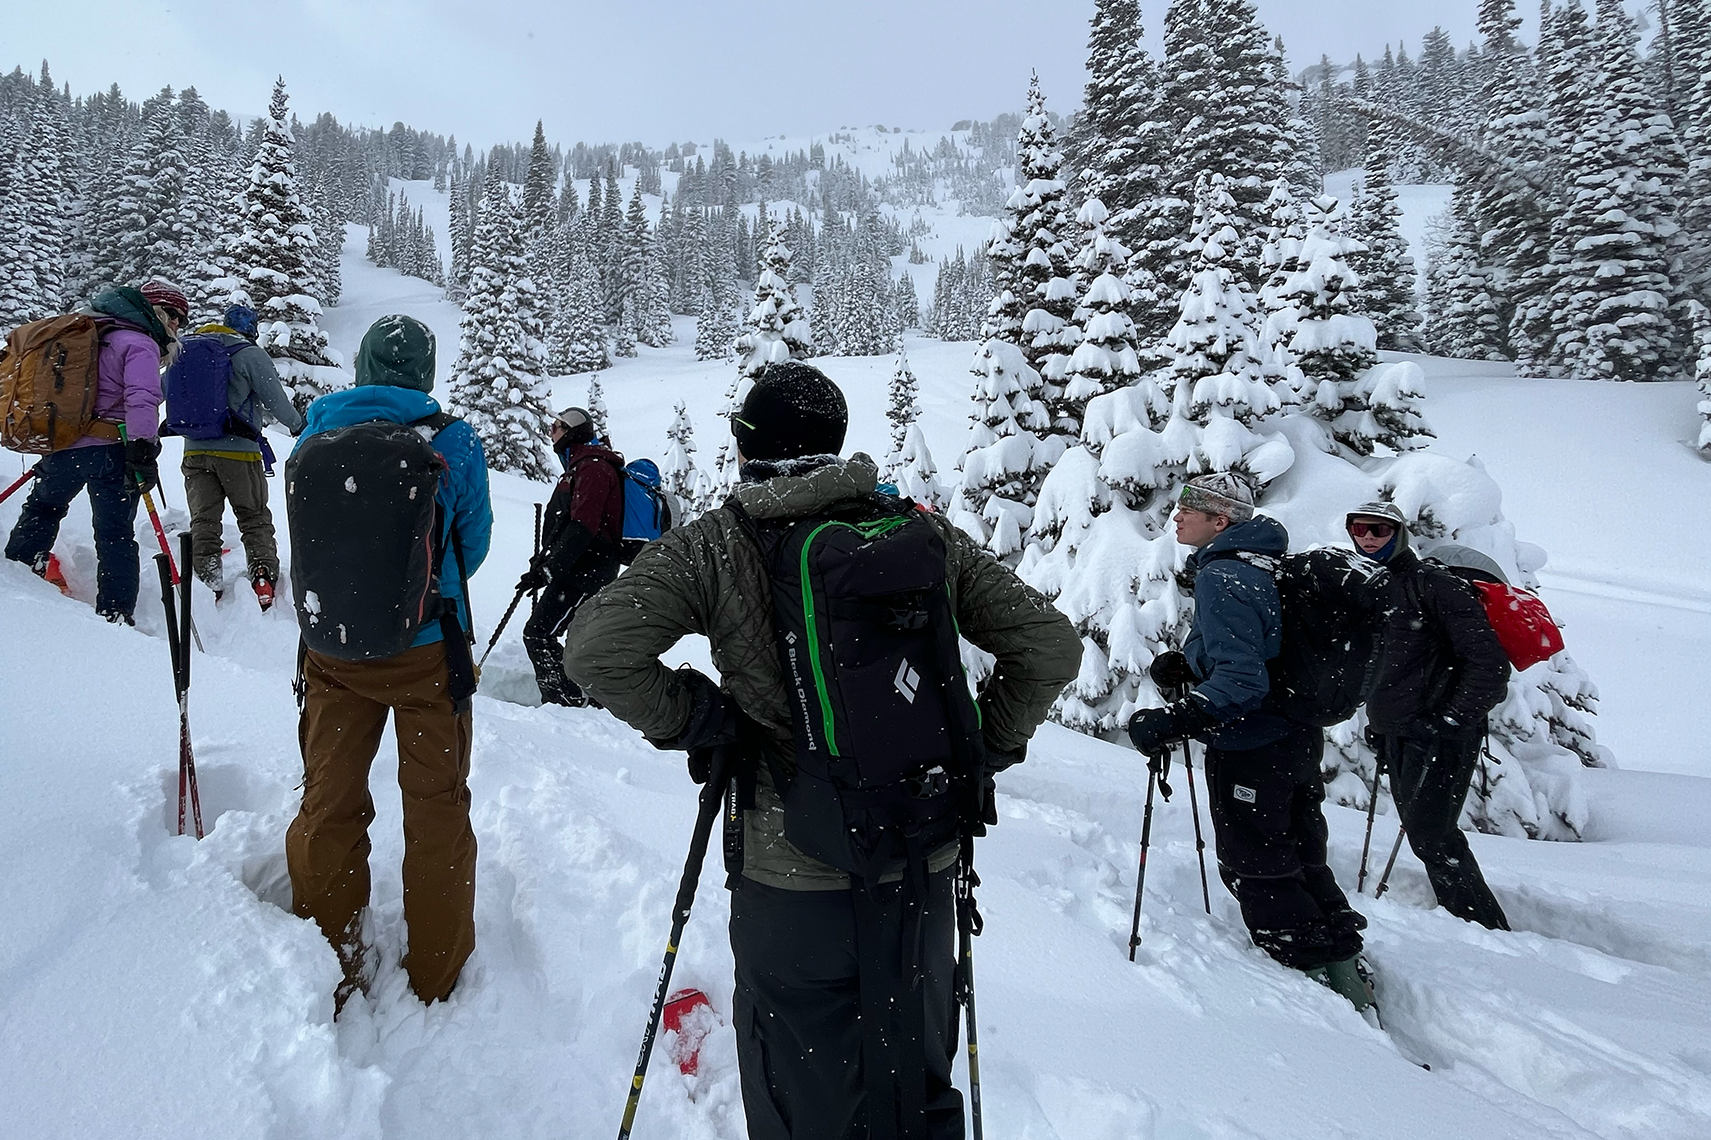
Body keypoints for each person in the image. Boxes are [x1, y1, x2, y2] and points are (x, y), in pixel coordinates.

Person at [564, 362, 1079, 1140]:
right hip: (921, 856)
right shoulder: (917, 529)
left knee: (803, 1097)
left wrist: (705, 722)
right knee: (912, 1089)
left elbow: (595, 652)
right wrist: (982, 749)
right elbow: (1049, 648)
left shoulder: (718, 543)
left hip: (794, 867)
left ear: (746, 448)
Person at [282, 315, 491, 1009]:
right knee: (436, 807)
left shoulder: (316, 432)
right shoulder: (452, 440)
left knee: (330, 800)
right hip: (428, 650)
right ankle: (435, 971)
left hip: (332, 647)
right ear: (425, 372)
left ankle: (326, 953)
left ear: (364, 364)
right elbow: (474, 543)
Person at [1129, 473, 1373, 1009]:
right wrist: (1191, 663)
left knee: (1258, 863)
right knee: (1302, 853)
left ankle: (1315, 989)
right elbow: (1263, 651)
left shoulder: (1226, 576)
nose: (1176, 516)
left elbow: (1242, 682)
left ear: (1221, 521)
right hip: (1294, 736)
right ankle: (1343, 962)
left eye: (1190, 509)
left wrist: (1172, 721)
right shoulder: (1261, 564)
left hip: (1254, 744)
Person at [1347, 500, 1512, 931]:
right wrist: (1380, 725)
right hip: (1399, 732)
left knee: (1432, 836)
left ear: (1398, 534)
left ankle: (1485, 929)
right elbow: (1388, 668)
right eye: (1359, 529)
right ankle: (1473, 925)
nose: (1367, 538)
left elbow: (1490, 667)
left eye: (1378, 531)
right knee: (1426, 834)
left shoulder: (1435, 585)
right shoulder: (1377, 585)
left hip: (1441, 736)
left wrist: (1451, 722)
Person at [3, 284, 174, 624]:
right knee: (115, 534)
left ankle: (16, 572)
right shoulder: (140, 343)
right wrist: (144, 448)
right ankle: (115, 611)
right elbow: (141, 398)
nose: (177, 325)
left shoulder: (84, 333)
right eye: (175, 317)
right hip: (113, 451)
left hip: (64, 443)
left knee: (43, 507)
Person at [164, 297, 307, 607]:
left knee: (204, 519)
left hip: (194, 453)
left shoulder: (187, 351)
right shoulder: (249, 354)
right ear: (251, 331)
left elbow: (162, 389)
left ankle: (207, 580)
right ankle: (262, 576)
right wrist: (299, 427)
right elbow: (277, 401)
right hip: (239, 454)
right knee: (253, 516)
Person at [521, 406, 625, 707]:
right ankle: (582, 700)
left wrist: (549, 570)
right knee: (574, 639)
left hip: (586, 571)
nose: (551, 431)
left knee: (539, 634)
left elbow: (584, 526)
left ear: (572, 433)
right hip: (575, 569)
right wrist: (546, 562)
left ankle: (567, 705)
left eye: (557, 426)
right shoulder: (581, 465)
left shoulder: (593, 467)